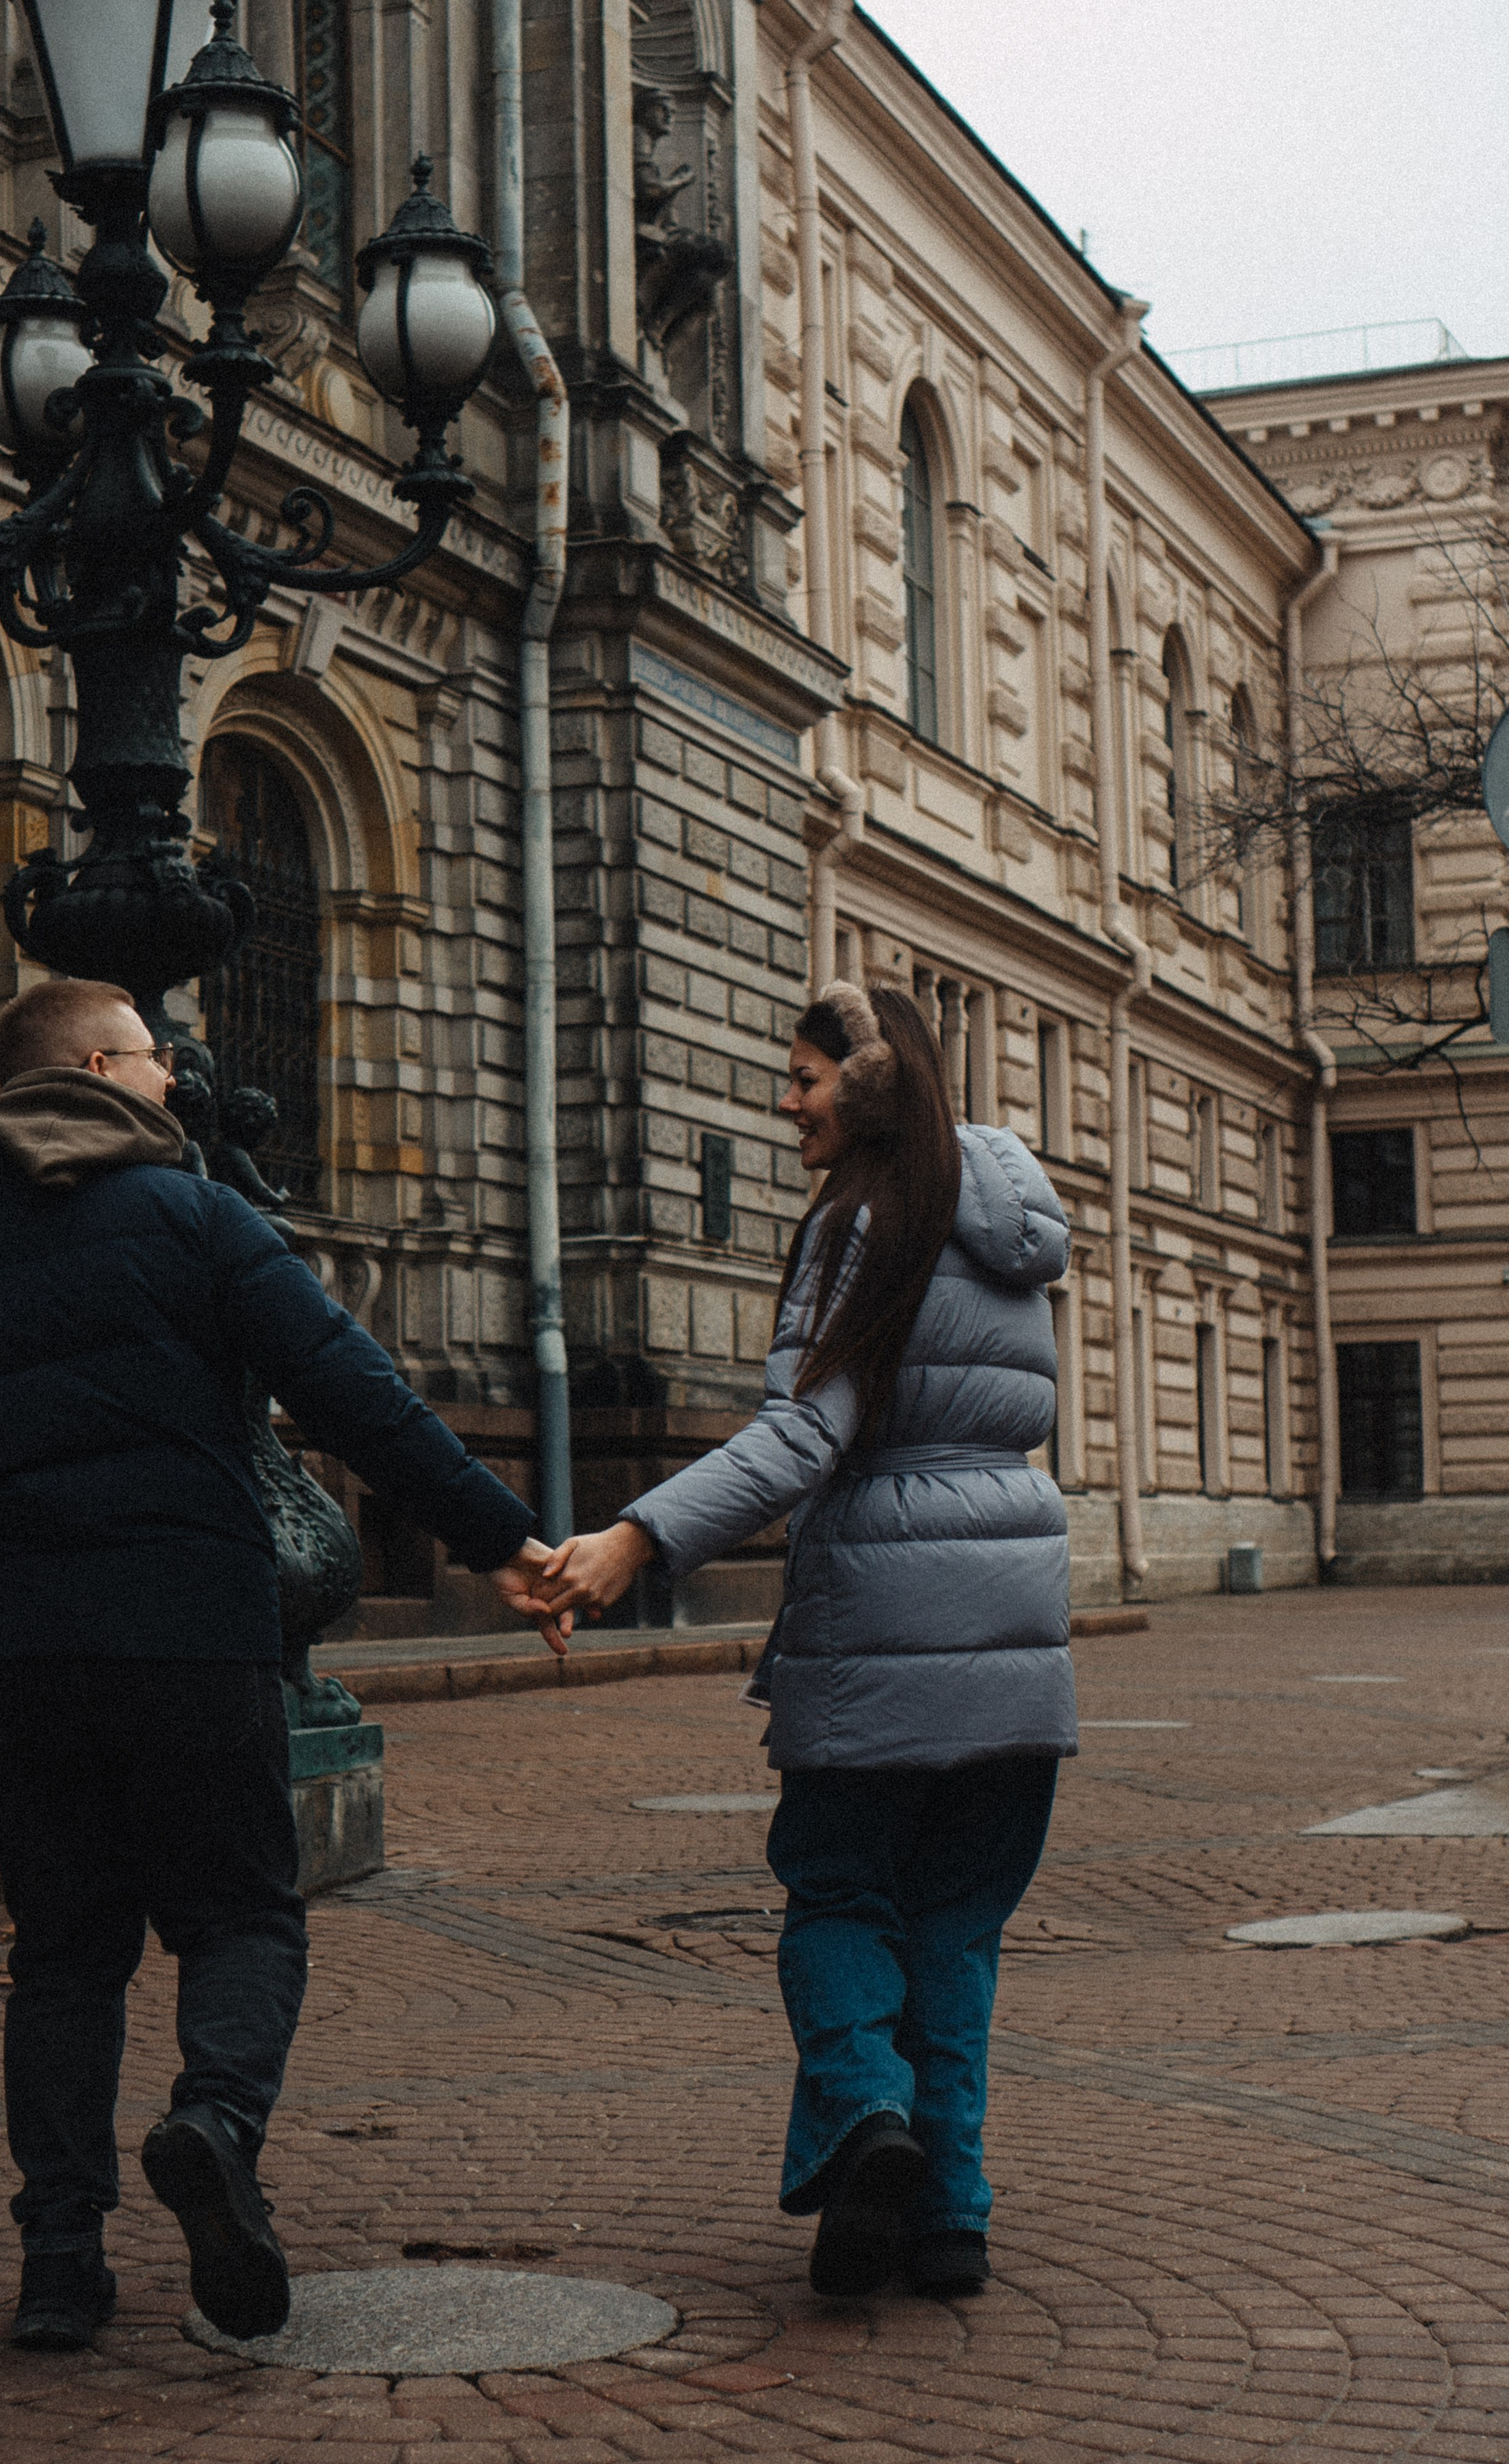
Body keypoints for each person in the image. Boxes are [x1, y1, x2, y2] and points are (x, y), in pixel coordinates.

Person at [0, 978, 558, 2354]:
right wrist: (505, 1542)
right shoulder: (200, 1219)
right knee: (239, 1920)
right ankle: (214, 2124)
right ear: (102, 1068)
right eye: (161, 1060)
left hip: (24, 1663)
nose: (179, 1078)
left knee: (60, 1958)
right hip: (190, 1638)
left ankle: (59, 2262)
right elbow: (359, 1395)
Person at [538, 979, 1075, 2300]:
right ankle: (950, 2214)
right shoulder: (1010, 1227)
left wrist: (635, 1539)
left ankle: (867, 2119)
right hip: (1017, 1631)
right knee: (955, 1932)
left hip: (884, 1634)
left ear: (871, 1083)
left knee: (836, 1900)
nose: (787, 1102)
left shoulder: (862, 1224)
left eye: (804, 1077)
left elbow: (804, 1436)